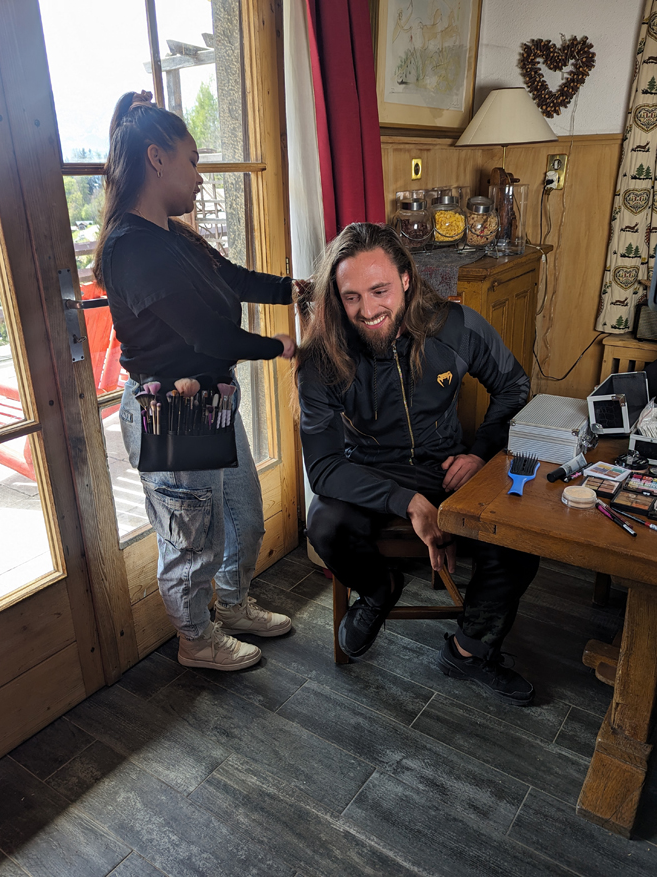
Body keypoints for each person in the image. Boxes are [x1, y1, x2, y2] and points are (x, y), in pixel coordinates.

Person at [296, 223, 540, 706]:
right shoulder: (321, 357)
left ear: (406, 278)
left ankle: (469, 648)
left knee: (518, 530)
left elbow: (514, 385)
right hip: (368, 470)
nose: (367, 311)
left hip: (445, 464)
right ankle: (378, 591)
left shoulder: (457, 326)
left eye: (379, 290)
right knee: (323, 523)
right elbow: (323, 468)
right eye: (351, 297)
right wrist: (407, 502)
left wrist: (480, 452)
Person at [95, 90, 295, 672]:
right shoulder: (131, 248)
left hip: (210, 404)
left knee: (243, 516)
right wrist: (278, 346)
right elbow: (208, 336)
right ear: (157, 159)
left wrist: (298, 288)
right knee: (190, 540)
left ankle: (232, 606)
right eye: (193, 160)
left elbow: (230, 277)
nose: (200, 178)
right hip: (169, 415)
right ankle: (195, 639)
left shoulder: (174, 236)